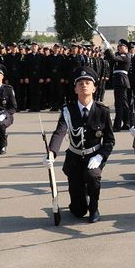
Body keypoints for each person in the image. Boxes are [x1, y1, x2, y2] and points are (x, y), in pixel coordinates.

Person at [44, 67, 116, 223]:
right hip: (74, 158)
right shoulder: (68, 110)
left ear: (94, 88)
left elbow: (110, 141)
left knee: (92, 176)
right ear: (75, 89)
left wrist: (100, 156)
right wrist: (51, 152)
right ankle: (81, 198)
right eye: (80, 83)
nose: (84, 85)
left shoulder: (102, 111)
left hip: (93, 156)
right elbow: (60, 132)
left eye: (88, 83)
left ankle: (94, 206)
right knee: (78, 211)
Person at [103, 39, 132, 131]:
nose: (119, 48)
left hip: (121, 82)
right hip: (119, 82)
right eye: (118, 47)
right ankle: (127, 123)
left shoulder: (126, 55)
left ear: (126, 48)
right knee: (123, 104)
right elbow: (110, 59)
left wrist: (108, 49)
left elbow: (113, 58)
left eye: (121, 46)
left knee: (119, 104)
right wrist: (107, 51)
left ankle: (117, 126)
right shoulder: (120, 55)